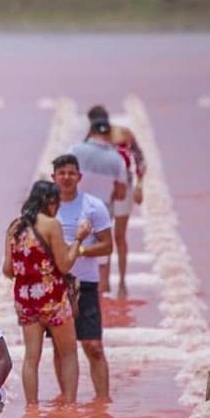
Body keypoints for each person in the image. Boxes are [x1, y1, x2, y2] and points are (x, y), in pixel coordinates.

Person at [3, 180, 90, 404]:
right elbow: (64, 265)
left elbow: (8, 270)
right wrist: (79, 240)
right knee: (69, 353)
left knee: (31, 358)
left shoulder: (14, 227)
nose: (59, 206)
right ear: (49, 201)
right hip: (52, 298)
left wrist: (29, 272)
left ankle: (32, 410)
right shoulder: (51, 225)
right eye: (57, 201)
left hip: (25, 299)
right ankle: (70, 407)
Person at [50, 155, 114, 401]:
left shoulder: (94, 206)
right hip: (55, 286)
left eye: (71, 173)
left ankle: (103, 401)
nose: (66, 177)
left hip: (86, 282)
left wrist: (78, 250)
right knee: (61, 347)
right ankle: (68, 400)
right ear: (54, 177)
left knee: (93, 345)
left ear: (79, 177)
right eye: (61, 173)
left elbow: (107, 246)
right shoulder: (48, 209)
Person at [86, 105, 148, 297]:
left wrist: (139, 186)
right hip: (103, 192)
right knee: (107, 237)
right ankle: (106, 283)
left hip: (121, 190)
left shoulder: (124, 134)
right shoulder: (91, 137)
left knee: (117, 237)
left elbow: (139, 160)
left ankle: (120, 281)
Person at [70, 116, 127, 293]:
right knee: (102, 259)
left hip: (76, 209)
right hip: (102, 212)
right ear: (108, 134)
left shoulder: (75, 150)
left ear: (91, 132)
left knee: (73, 258)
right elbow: (121, 193)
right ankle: (101, 299)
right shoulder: (116, 159)